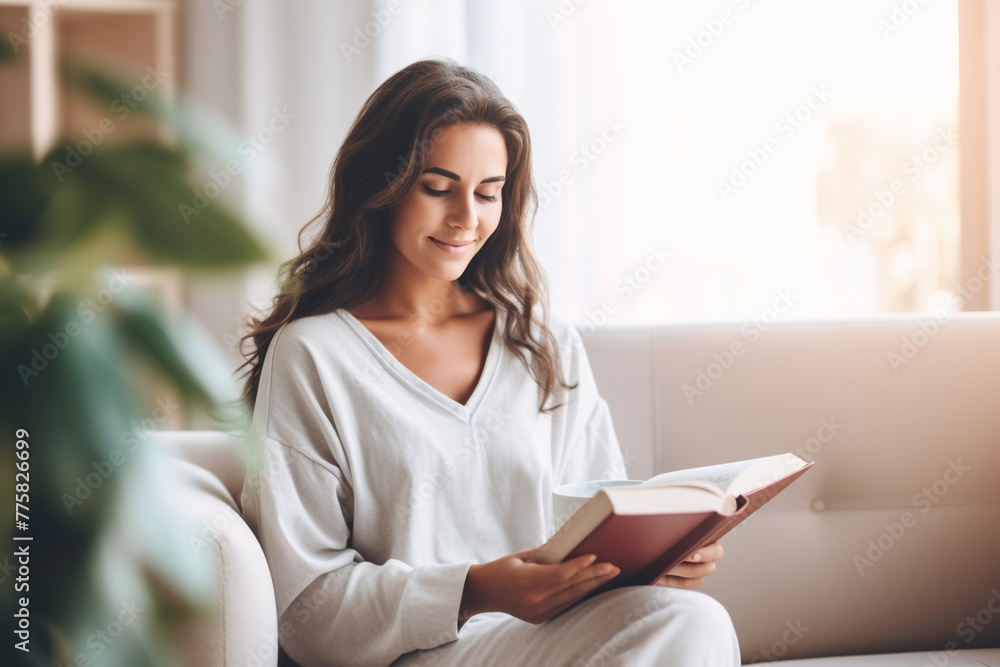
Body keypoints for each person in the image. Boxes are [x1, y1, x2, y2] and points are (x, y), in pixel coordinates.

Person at [237, 57, 741, 667]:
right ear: (382, 187)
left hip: (550, 642)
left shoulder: (541, 341)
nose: (466, 219)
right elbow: (306, 609)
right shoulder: (314, 357)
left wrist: (657, 561)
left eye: (488, 193)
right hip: (415, 655)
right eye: (437, 187)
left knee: (690, 618)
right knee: (690, 628)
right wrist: (473, 590)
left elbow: (600, 517)